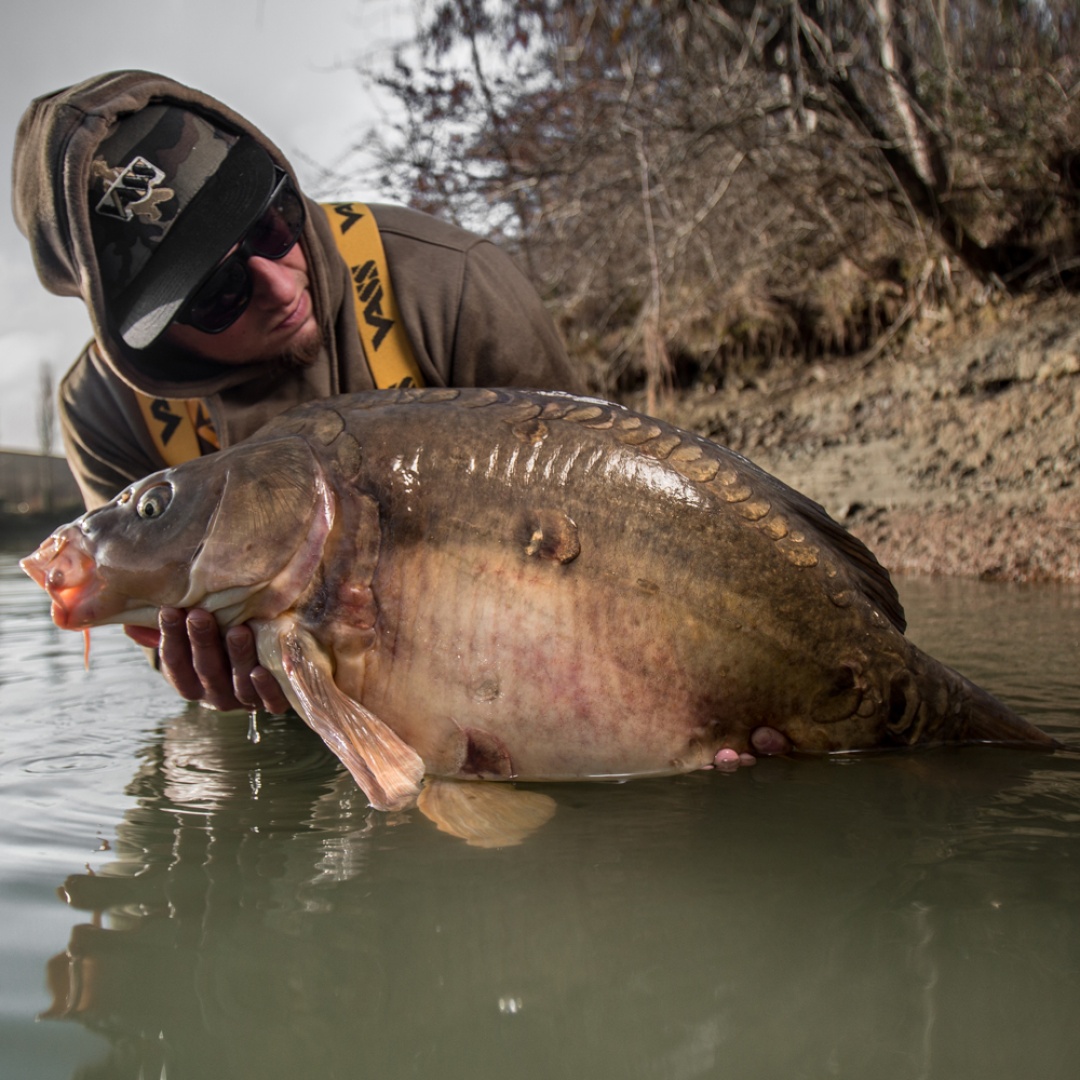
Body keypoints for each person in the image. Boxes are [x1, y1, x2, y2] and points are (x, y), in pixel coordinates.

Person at [13, 69, 585, 715]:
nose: (282, 287)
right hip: (284, 696)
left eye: (271, 227)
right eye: (216, 293)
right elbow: (155, 627)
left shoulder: (452, 283)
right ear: (148, 338)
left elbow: (600, 526)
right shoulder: (104, 409)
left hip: (524, 648)